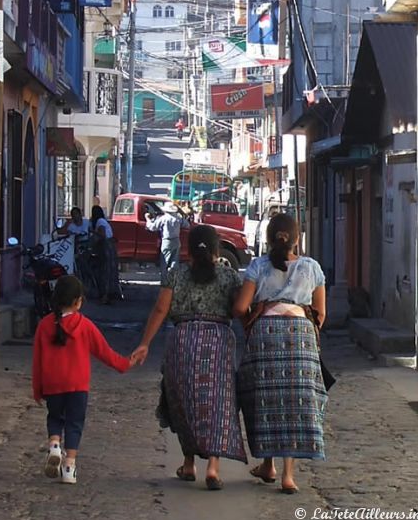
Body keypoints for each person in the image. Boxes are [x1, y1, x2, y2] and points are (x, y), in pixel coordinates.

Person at [131, 225, 246, 490]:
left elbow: (161, 309)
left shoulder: (176, 274)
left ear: (188, 249)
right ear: (217, 249)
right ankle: (214, 468)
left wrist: (145, 343)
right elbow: (241, 310)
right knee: (217, 402)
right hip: (218, 342)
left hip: (182, 340)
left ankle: (189, 463)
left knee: (184, 401)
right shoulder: (229, 276)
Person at [233, 212, 328, 494]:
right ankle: (288, 475)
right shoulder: (311, 268)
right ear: (297, 238)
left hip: (265, 332)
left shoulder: (257, 267)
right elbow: (321, 314)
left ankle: (267, 464)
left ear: (269, 238)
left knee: (265, 398)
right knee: (295, 401)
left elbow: (239, 308)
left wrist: (251, 321)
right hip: (300, 334)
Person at [32, 275, 136, 484]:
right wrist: (126, 363)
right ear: (78, 301)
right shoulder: (85, 326)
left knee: (55, 418)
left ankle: (54, 445)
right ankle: (69, 466)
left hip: (53, 384)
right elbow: (105, 353)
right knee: (74, 423)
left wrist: (38, 389)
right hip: (78, 386)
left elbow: (37, 360)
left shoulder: (44, 325)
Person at [90, 205, 121, 304]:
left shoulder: (99, 222)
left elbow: (102, 235)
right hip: (110, 247)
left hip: (105, 247)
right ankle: (111, 294)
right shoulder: (103, 221)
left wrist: (93, 232)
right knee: (110, 271)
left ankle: (105, 295)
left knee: (105, 271)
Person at [145, 201, 183, 280]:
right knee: (174, 261)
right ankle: (173, 279)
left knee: (165, 261)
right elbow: (187, 225)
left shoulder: (164, 218)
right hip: (177, 241)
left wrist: (147, 219)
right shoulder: (178, 218)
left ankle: (165, 281)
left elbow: (152, 227)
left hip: (167, 241)